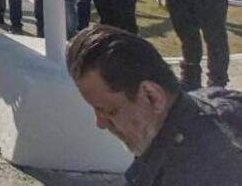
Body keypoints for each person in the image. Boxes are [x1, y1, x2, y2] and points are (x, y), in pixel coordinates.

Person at [67, 25, 242, 185]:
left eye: (111, 111)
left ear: (152, 96)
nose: (100, 123)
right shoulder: (204, 105)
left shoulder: (205, 171)